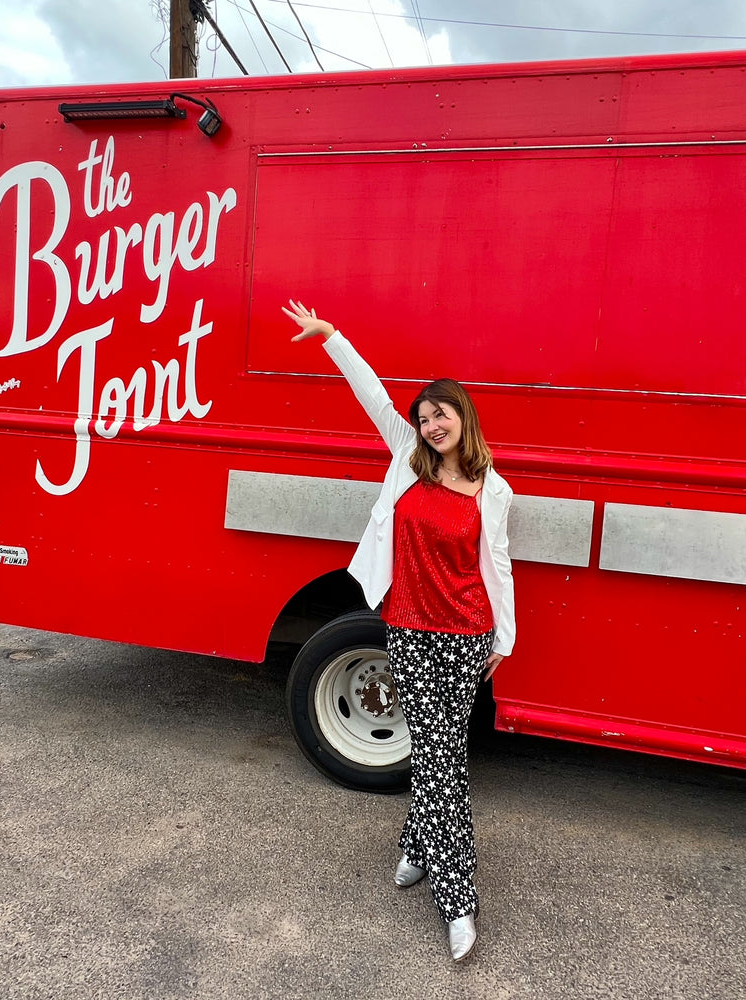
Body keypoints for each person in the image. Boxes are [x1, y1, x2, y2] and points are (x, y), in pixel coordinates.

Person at [282, 299, 515, 962]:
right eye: (422, 416)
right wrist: (332, 336)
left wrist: (504, 638)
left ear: (462, 415)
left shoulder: (491, 488)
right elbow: (371, 393)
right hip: (409, 632)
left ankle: (417, 845)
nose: (429, 423)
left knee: (443, 757)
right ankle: (458, 901)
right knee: (443, 762)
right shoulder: (405, 457)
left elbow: (494, 563)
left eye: (440, 413)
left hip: (467, 635)